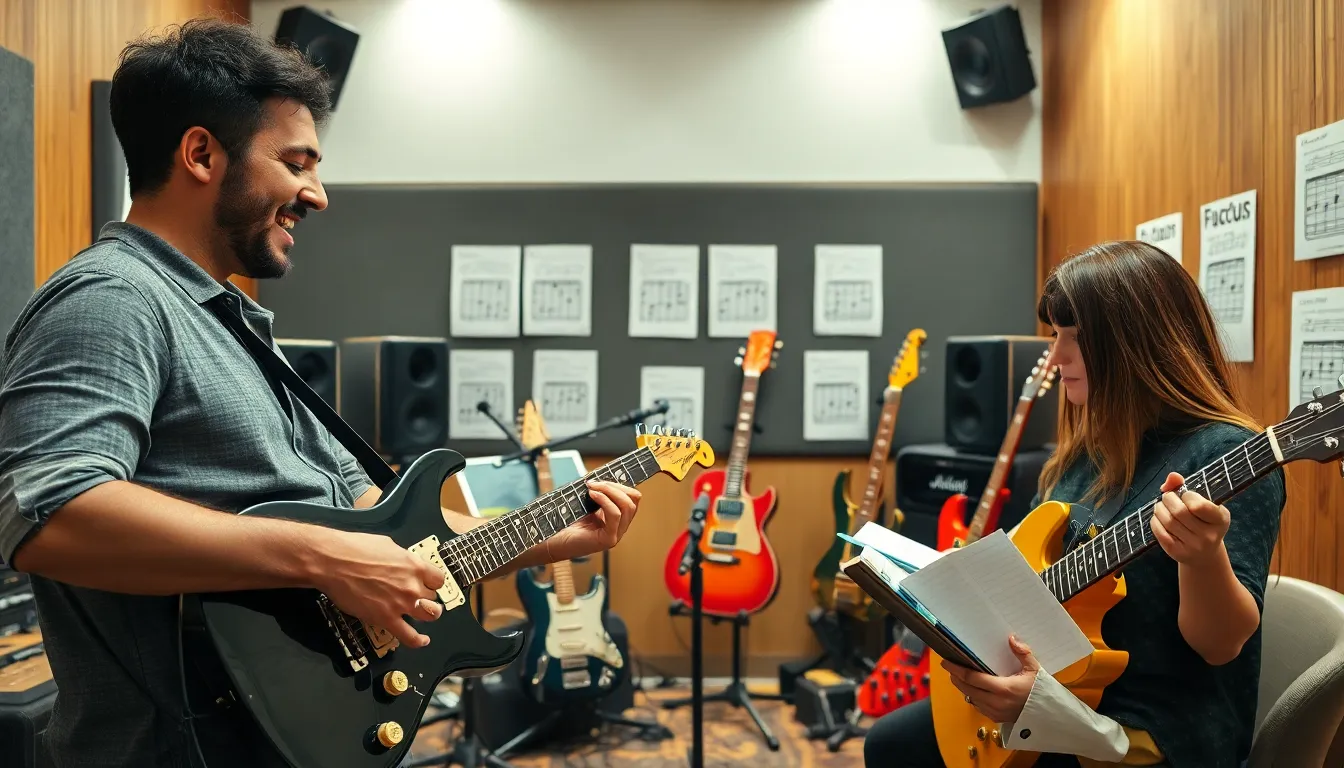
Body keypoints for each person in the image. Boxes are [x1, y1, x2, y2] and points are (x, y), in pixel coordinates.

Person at [0, 18, 643, 768]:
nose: (319, 194)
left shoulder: (231, 326)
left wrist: (544, 536)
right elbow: (49, 516)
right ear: (201, 154)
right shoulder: (111, 299)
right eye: (296, 162)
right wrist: (318, 557)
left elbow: (378, 541)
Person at [864, 240, 1285, 768]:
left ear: (1138, 346)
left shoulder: (1226, 454)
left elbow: (1220, 647)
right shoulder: (1081, 454)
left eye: (1075, 339)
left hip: (1149, 727)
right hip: (1057, 691)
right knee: (889, 743)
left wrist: (1201, 560)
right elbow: (1025, 579)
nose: (1056, 357)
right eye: (1055, 335)